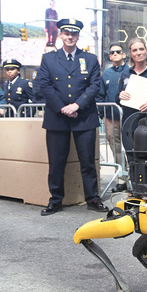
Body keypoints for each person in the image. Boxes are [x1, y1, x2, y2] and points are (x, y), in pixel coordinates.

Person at [36, 18, 107, 216]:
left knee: (88, 162)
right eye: (66, 33)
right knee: (56, 162)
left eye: (74, 34)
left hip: (84, 117)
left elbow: (94, 86)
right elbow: (45, 85)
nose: (70, 37)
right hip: (57, 118)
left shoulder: (90, 59)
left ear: (78, 36)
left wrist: (77, 105)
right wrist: (62, 108)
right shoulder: (48, 59)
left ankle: (93, 198)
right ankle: (55, 200)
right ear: (60, 35)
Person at [98, 44, 129, 170]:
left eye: (118, 51)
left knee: (132, 147)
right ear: (110, 57)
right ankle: (122, 176)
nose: (115, 54)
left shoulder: (131, 71)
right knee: (115, 148)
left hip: (128, 117)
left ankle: (134, 177)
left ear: (124, 54)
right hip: (111, 118)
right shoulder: (106, 74)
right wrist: (103, 116)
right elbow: (100, 96)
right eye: (112, 52)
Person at [117, 38, 147, 120]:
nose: (138, 53)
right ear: (130, 54)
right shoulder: (126, 74)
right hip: (130, 122)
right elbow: (117, 98)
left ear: (146, 51)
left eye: (141, 49)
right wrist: (120, 96)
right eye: (135, 50)